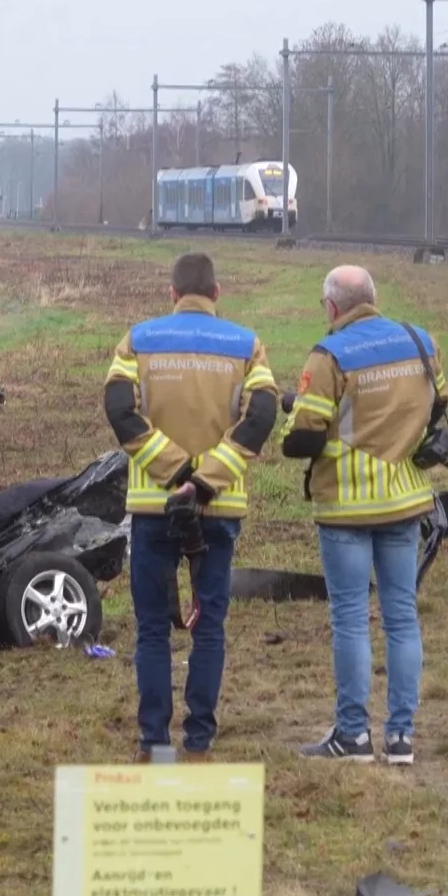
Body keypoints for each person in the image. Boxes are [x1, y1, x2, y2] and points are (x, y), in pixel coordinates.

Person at [103, 252, 278, 762]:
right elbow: (261, 416)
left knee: (153, 628)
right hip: (217, 511)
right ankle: (198, 742)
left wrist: (175, 475)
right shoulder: (248, 346)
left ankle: (154, 743)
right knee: (210, 627)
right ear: (217, 293)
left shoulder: (138, 340)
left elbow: (120, 410)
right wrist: (203, 484)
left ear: (172, 294)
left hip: (154, 506)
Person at [281, 267, 445, 765]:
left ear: (333, 308)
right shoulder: (421, 343)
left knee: (351, 619)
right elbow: (439, 412)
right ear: (374, 298)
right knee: (402, 617)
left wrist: (294, 419)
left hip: (347, 508)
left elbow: (305, 437)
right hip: (403, 503)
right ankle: (401, 738)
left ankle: (353, 735)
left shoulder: (330, 355)